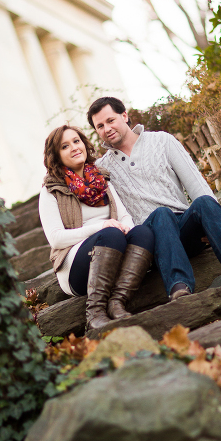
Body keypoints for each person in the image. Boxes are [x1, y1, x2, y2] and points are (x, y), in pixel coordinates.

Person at [87, 97, 221, 301]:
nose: (106, 129)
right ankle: (179, 287)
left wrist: (210, 227)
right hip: (151, 243)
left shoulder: (162, 141)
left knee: (202, 202)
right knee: (161, 214)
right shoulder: (103, 169)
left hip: (185, 230)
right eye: (100, 126)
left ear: (124, 115)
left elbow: (197, 186)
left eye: (110, 120)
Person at [39, 125, 154, 331]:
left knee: (143, 232)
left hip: (112, 251)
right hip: (74, 266)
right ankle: (95, 312)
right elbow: (56, 239)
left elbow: (124, 216)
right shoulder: (51, 190)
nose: (74, 147)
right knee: (110, 234)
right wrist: (101, 227)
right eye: (65, 146)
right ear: (56, 156)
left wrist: (124, 229)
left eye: (76, 141)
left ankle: (117, 302)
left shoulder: (101, 179)